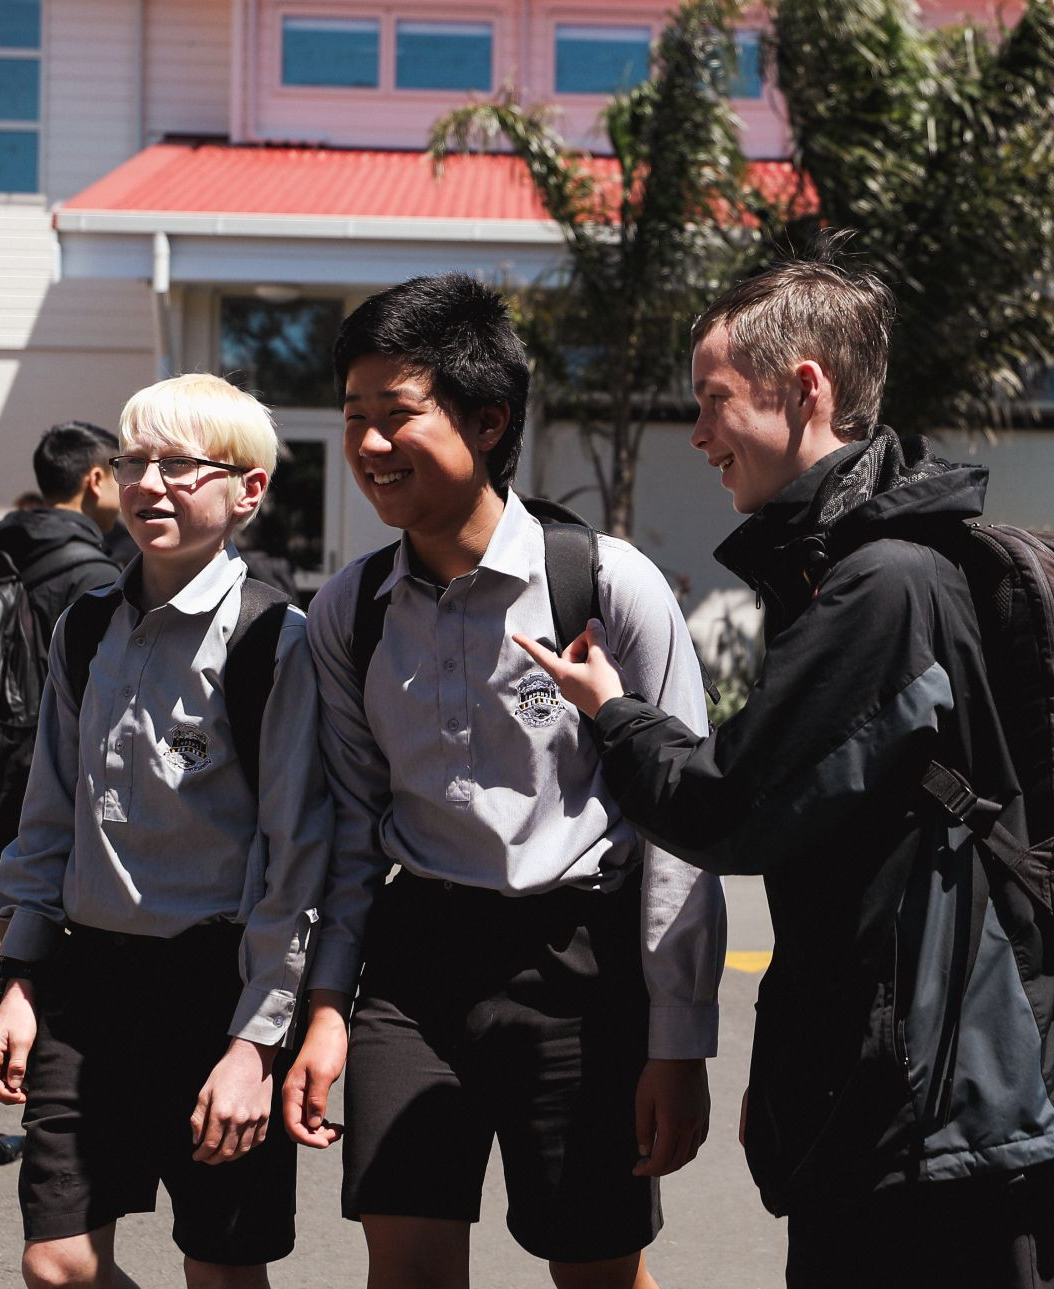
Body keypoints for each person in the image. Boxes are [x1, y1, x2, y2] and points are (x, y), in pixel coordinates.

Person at [517, 245, 1054, 1289]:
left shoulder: (882, 586)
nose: (698, 433)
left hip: (958, 1109)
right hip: (900, 1091)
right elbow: (838, 860)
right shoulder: (848, 573)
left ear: (805, 388)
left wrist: (614, 713)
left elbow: (728, 808)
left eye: (711, 401)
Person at [285, 274, 725, 1289]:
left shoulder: (606, 585)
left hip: (576, 967)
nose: (366, 446)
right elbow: (353, 824)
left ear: (487, 422)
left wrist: (676, 1037)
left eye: (396, 416)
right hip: (412, 971)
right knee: (404, 1265)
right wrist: (324, 1003)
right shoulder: (349, 612)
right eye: (353, 418)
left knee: (595, 1268)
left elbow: (678, 823)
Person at [0, 374, 333, 1288]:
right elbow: (48, 813)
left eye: (180, 465)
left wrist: (257, 1044)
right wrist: (21, 978)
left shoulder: (274, 641)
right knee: (57, 1261)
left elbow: (295, 862)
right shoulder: (85, 623)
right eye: (134, 462)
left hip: (215, 992)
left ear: (248, 490)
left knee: (219, 1268)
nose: (149, 484)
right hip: (87, 985)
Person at [0, 421, 122, 1180]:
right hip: (39, 786)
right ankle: (15, 1122)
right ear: (95, 480)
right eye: (121, 469)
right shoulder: (91, 575)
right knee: (24, 950)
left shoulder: (1, 553)